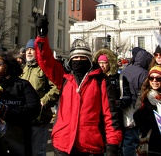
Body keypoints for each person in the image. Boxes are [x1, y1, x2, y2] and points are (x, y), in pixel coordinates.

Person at [34, 14, 122, 156]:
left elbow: (110, 115)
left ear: (89, 60)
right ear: (71, 61)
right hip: (63, 143)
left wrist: (112, 145)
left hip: (90, 146)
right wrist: (42, 37)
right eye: (75, 58)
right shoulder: (64, 77)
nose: (79, 60)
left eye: (82, 58)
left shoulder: (100, 81)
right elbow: (45, 61)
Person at [0, 52, 41, 156]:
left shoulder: (22, 85)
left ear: (8, 65)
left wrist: (7, 111)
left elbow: (34, 109)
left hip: (15, 143)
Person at [20, 39, 60, 156]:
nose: (29, 52)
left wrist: (43, 101)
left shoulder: (45, 68)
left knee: (37, 152)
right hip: (24, 118)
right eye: (27, 50)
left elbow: (56, 87)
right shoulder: (23, 69)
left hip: (39, 118)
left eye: (31, 49)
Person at [94, 49, 132, 156]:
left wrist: (117, 103)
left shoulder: (119, 78)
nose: (102, 66)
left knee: (115, 149)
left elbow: (128, 97)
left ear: (109, 63)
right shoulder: (94, 79)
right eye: (99, 63)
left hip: (115, 119)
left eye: (104, 63)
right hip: (98, 120)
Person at [121, 47, 153, 156]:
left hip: (124, 108)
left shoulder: (125, 69)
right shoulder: (144, 73)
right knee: (132, 140)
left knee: (125, 140)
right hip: (136, 108)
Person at [134, 65, 161, 156]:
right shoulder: (144, 96)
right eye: (151, 78)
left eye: (158, 78)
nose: (154, 81)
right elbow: (137, 119)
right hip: (150, 142)